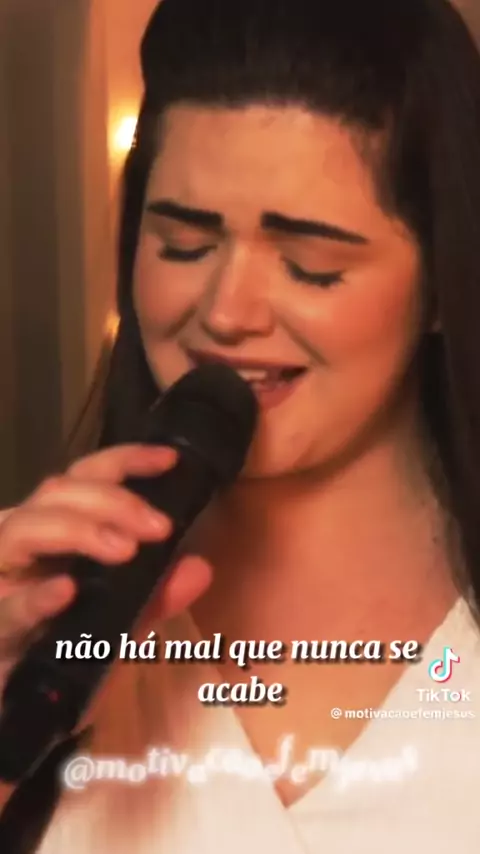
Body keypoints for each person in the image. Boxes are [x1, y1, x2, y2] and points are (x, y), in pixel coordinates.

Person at [1, 0, 480, 850]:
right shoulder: (42, 626)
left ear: (444, 281)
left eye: (311, 266)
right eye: (183, 246)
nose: (226, 313)